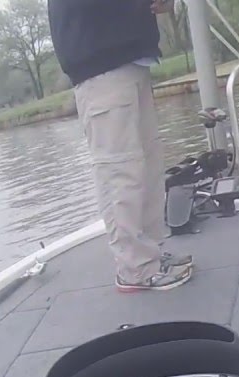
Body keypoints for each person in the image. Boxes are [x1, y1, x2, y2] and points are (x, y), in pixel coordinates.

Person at [48, 0, 193, 292]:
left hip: (131, 59)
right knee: (120, 171)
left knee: (148, 166)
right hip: (100, 67)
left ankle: (150, 253)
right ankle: (135, 269)